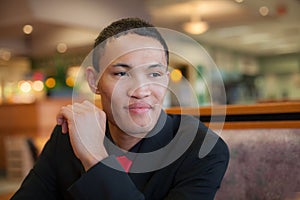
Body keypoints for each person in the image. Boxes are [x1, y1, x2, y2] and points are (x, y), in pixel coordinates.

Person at [11, 18, 229, 200]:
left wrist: (95, 157)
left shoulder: (202, 149)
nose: (141, 91)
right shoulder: (68, 135)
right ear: (94, 81)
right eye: (121, 73)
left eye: (154, 74)